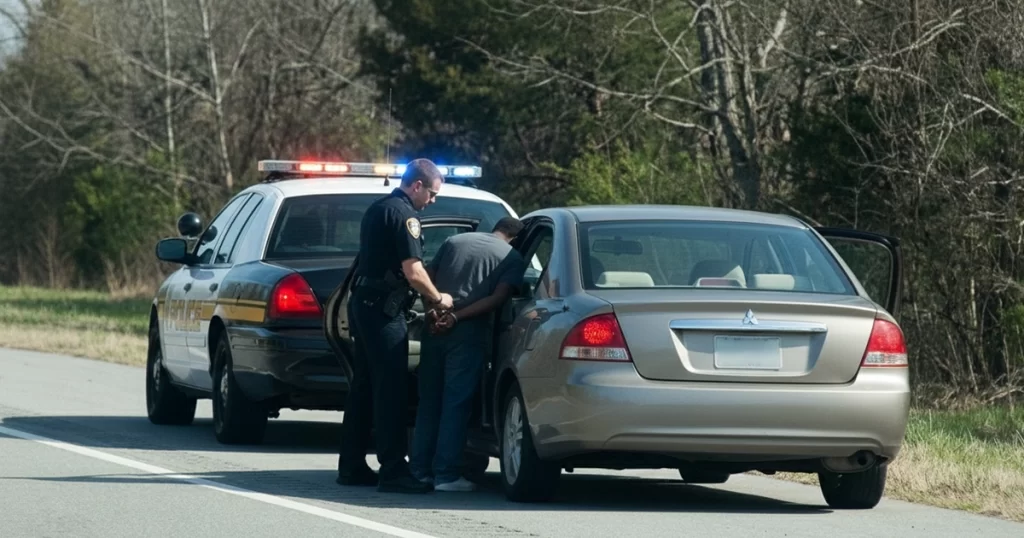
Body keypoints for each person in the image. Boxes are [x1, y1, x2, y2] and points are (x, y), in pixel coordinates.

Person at [336, 158, 454, 494]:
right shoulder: (406, 217)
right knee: (391, 391)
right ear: (417, 185)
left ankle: (352, 465)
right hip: (384, 312)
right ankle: (393, 470)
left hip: (365, 305)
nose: (432, 201)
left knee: (364, 388)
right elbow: (414, 271)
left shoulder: (380, 208)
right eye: (431, 193)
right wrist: (438, 299)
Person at [409, 216, 527, 491]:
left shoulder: (454, 241)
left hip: (433, 328)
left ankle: (418, 471)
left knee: (429, 402)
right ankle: (446, 474)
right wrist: (457, 318)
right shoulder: (512, 257)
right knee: (455, 404)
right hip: (468, 333)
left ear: (495, 228)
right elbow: (497, 299)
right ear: (516, 238)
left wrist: (434, 310)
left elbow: (427, 277)